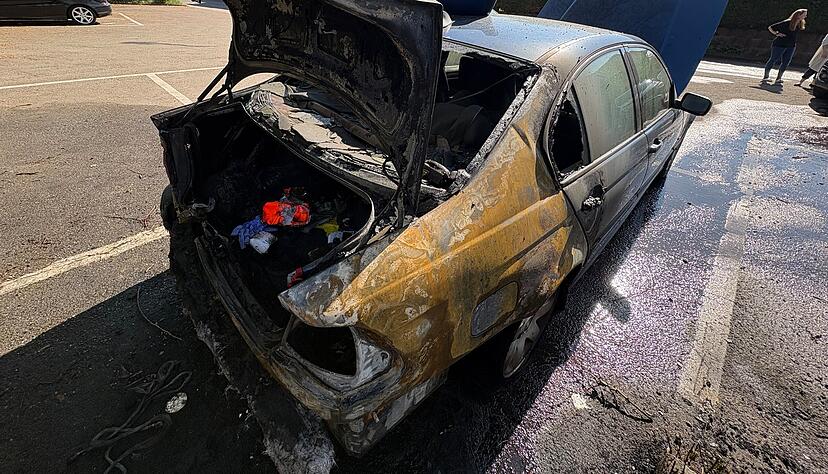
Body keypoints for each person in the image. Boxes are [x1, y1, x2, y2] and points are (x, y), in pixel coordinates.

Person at [763, 9, 808, 84]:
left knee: (786, 62)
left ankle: (779, 78)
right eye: (804, 14)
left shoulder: (800, 23)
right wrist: (776, 33)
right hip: (779, 44)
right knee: (773, 59)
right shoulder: (787, 22)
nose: (806, 16)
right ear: (799, 15)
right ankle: (766, 77)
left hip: (791, 45)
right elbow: (771, 27)